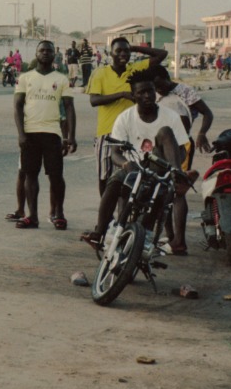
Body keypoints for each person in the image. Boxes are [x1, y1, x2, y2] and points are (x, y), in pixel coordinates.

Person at [82, 74, 189, 253]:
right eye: (141, 92)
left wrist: (173, 166)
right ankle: (100, 232)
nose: (147, 96)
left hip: (161, 166)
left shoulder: (170, 116)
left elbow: (182, 149)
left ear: (155, 92)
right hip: (134, 167)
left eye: (150, 91)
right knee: (114, 181)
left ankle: (175, 177)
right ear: (134, 96)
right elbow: (115, 153)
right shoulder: (125, 118)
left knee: (164, 132)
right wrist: (125, 164)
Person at [86, 34, 169, 193]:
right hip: (107, 132)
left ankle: (124, 213)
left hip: (132, 132)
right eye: (118, 51)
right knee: (105, 175)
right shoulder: (100, 74)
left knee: (133, 175)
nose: (123, 54)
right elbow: (94, 100)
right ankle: (107, 212)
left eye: (126, 51)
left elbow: (162, 55)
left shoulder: (136, 69)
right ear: (111, 54)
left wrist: (136, 47)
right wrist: (122, 94)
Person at [12, 39, 77, 229]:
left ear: (54, 54)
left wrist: (71, 136)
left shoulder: (62, 79)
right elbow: (17, 106)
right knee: (30, 175)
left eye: (49, 50)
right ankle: (32, 217)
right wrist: (21, 134)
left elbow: (69, 107)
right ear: (36, 54)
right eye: (42, 50)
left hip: (52, 133)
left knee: (56, 176)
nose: (45, 53)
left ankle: (59, 214)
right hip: (30, 134)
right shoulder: (25, 78)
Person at [151, 66, 213, 160]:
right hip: (158, 144)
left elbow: (207, 113)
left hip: (182, 144)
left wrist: (202, 133)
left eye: (160, 85)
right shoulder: (152, 94)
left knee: (179, 173)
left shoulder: (185, 91)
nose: (158, 90)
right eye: (155, 87)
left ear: (167, 78)